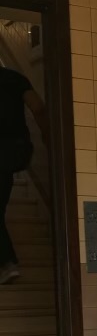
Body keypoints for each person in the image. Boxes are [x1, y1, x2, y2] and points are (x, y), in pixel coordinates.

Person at [0, 66, 47, 285]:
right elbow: (38, 107)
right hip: (17, 150)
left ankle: (7, 263)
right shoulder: (14, 77)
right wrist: (47, 136)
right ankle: (7, 263)